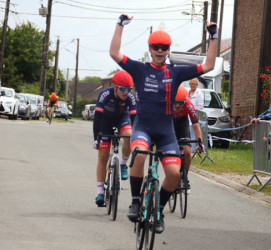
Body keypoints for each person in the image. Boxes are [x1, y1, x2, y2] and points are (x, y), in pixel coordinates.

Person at [109, 14, 218, 234]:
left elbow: (208, 65)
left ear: (168, 50)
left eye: (164, 47)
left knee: (174, 174)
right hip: (143, 127)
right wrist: (120, 25)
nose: (160, 51)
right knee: (138, 153)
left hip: (166, 131)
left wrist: (214, 37)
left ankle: (158, 210)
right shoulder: (140, 69)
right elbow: (114, 53)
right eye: (156, 47)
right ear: (150, 48)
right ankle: (136, 201)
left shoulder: (175, 71)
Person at [92, 71, 137, 206]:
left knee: (129, 135)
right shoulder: (105, 94)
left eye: (128, 89)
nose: (126, 92)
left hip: (122, 118)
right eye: (122, 89)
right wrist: (96, 138)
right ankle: (100, 192)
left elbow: (134, 119)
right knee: (103, 156)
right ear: (115, 87)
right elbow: (97, 118)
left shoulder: (131, 97)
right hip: (105, 121)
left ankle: (123, 164)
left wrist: (136, 139)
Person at [173, 86, 204, 192]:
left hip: (182, 124)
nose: (177, 105)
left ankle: (184, 176)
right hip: (169, 123)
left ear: (185, 100)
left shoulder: (189, 104)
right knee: (171, 151)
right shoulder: (166, 102)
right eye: (175, 102)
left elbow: (195, 125)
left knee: (187, 151)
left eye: (180, 103)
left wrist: (200, 143)